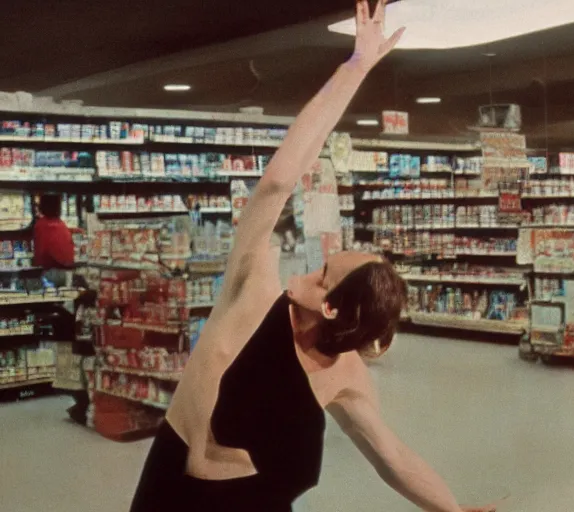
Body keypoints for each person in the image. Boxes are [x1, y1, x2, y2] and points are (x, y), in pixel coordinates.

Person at [130, 2, 496, 511]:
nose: (309, 267)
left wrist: (453, 511)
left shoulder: (345, 374)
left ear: (331, 309)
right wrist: (355, 68)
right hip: (173, 492)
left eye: (324, 273)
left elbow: (390, 455)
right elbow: (280, 180)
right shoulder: (251, 288)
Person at [32, 193, 75, 287]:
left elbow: (40, 252)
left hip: (51, 272)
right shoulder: (61, 224)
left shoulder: (41, 225)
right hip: (67, 272)